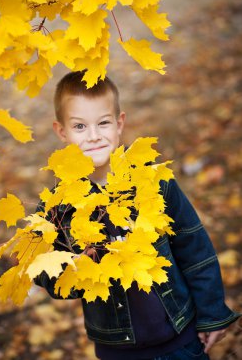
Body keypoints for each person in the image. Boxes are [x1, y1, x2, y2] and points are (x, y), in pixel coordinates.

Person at [35, 71, 240, 360]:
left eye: (103, 123)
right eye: (80, 126)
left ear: (119, 124)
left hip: (180, 337)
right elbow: (43, 272)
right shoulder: (58, 207)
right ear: (62, 132)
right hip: (116, 348)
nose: (93, 136)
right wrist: (73, 272)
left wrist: (212, 314)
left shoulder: (153, 182)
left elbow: (195, 250)